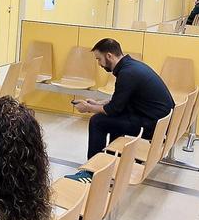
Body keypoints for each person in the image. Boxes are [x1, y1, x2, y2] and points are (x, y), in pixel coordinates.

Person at [71, 38, 174, 167]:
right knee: (114, 119)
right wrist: (97, 103)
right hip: (160, 120)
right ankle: (114, 158)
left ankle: (93, 167)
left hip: (154, 125)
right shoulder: (132, 66)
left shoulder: (127, 73)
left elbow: (113, 109)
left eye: (99, 59)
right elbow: (120, 100)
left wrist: (88, 108)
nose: (99, 64)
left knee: (97, 121)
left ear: (109, 56)